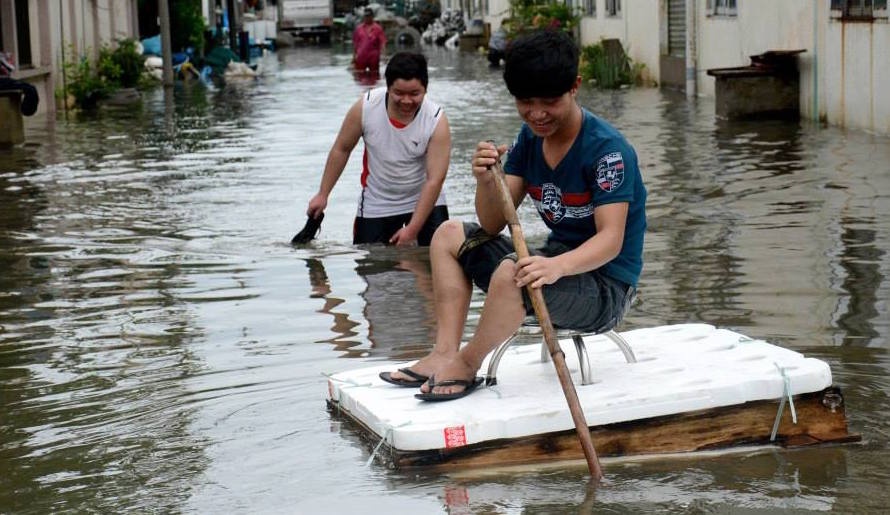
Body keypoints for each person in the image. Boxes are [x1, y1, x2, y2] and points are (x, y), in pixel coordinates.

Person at [379, 30, 647, 400]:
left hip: (604, 288)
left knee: (513, 272)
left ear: (575, 87)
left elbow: (611, 239)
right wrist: (488, 180)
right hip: (552, 270)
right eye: (525, 101)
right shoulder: (529, 139)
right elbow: (491, 224)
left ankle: (467, 364)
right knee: (448, 234)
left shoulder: (607, 152)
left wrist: (557, 266)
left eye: (549, 101)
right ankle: (444, 353)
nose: (537, 114)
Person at [306, 51, 451, 246]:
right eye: (399, 93)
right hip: (378, 203)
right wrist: (323, 194)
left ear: (425, 89)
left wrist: (412, 230)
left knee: (436, 262)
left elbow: (435, 180)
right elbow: (342, 148)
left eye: (414, 94)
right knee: (371, 265)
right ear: (388, 87)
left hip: (425, 200)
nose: (407, 101)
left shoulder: (435, 120)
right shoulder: (365, 108)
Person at [353, 7, 387, 73]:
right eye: (366, 16)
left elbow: (383, 43)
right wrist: (354, 58)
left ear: (372, 16)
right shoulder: (359, 29)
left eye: (369, 16)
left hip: (373, 57)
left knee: (374, 74)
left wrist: (384, 56)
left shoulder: (378, 28)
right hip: (361, 56)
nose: (367, 18)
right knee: (359, 76)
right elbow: (355, 44)